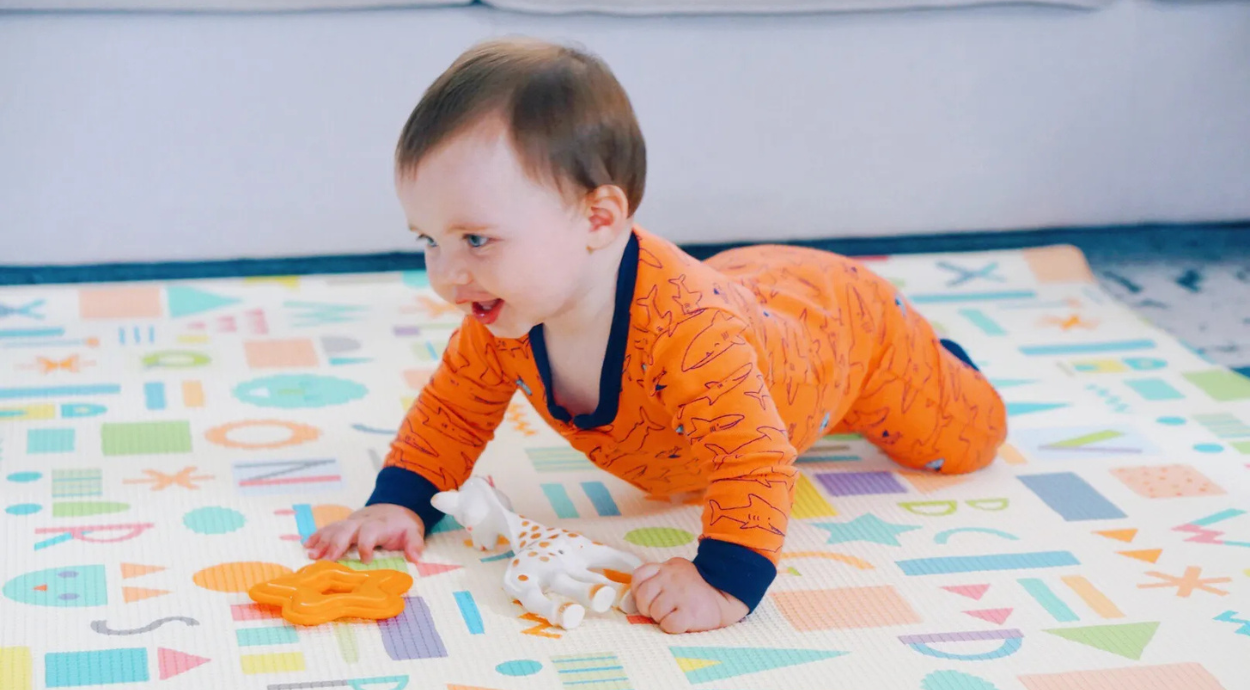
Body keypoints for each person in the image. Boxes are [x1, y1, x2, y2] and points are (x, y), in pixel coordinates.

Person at [305, 37, 1007, 634]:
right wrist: (400, 501)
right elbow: (453, 414)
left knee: (962, 442)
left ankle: (942, 358)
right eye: (428, 239)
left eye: (477, 238)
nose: (447, 273)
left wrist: (724, 583)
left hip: (848, 329)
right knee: (742, 328)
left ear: (599, 220)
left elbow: (753, 466)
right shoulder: (501, 315)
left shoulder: (690, 335)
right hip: (748, 298)